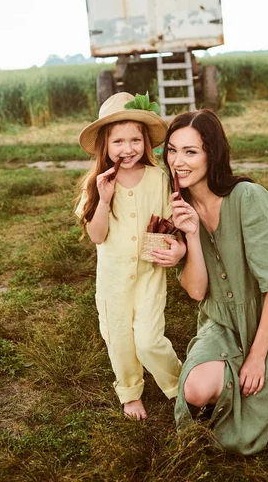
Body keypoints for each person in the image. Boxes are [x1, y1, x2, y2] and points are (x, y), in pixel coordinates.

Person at [160, 108, 268, 455]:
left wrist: (257, 357)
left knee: (236, 440)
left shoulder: (249, 199)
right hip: (222, 319)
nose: (178, 162)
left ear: (212, 154)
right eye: (172, 150)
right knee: (196, 392)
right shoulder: (180, 207)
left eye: (191, 151)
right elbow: (198, 290)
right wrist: (192, 234)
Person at [75, 92, 186, 420]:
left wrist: (175, 246)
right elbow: (97, 236)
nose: (128, 149)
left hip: (149, 277)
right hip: (113, 283)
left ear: (146, 142)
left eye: (135, 140)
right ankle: (130, 391)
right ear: (104, 147)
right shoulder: (98, 185)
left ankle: (180, 384)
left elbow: (169, 224)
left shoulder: (159, 179)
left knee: (149, 340)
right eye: (118, 142)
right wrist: (106, 199)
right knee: (120, 339)